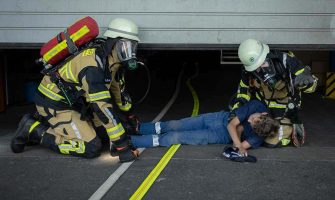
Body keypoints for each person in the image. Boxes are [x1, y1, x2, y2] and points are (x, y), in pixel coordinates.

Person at [10, 18, 141, 162]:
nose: (130, 52)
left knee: (105, 134)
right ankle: (34, 130)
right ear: (113, 43)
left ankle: (55, 125)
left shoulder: (110, 60)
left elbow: (116, 90)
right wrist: (122, 146)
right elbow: (102, 107)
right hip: (54, 103)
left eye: (133, 47)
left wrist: (128, 115)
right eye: (126, 46)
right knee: (91, 147)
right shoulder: (92, 66)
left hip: (74, 101)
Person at [231, 39, 318, 147]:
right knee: (248, 132)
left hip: (287, 106)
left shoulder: (287, 60)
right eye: (257, 68)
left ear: (267, 56)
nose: (262, 71)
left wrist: (305, 82)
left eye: (263, 63)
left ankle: (295, 122)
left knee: (271, 141)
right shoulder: (248, 69)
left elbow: (312, 86)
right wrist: (236, 111)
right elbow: (243, 92)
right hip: (264, 108)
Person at [129, 100, 280, 156]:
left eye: (251, 123)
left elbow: (241, 146)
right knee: (174, 124)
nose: (249, 119)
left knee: (175, 137)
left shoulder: (259, 135)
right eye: (252, 118)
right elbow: (232, 125)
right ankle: (139, 128)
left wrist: (239, 143)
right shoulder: (257, 105)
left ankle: (132, 141)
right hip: (219, 118)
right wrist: (239, 141)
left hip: (220, 136)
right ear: (263, 113)